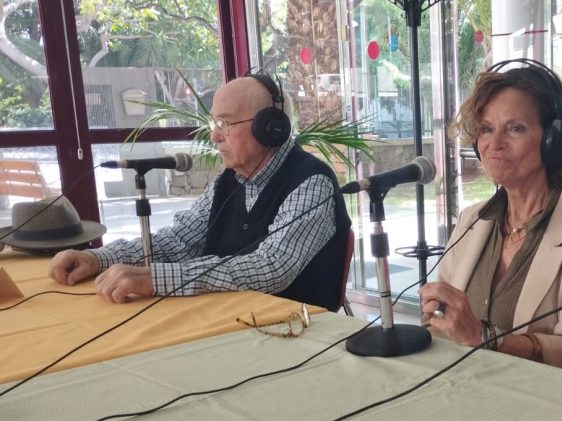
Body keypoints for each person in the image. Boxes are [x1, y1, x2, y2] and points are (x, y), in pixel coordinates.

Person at [49, 73, 351, 311]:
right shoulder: (230, 181)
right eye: (213, 122)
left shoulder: (312, 182)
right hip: (230, 318)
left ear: (270, 127)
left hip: (297, 333)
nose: (214, 135)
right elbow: (178, 241)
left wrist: (158, 278)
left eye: (225, 122)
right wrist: (98, 258)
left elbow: (271, 267)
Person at [419, 59, 562, 376]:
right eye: (486, 129)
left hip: (548, 400)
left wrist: (484, 338)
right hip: (465, 386)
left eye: (515, 128)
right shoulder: (472, 220)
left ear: (554, 141)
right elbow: (441, 321)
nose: (495, 144)